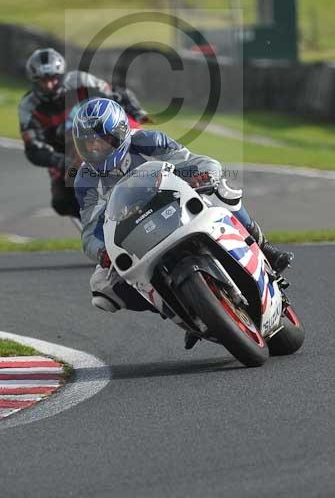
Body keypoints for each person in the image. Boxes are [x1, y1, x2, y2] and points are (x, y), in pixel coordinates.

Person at [72, 98, 293, 348]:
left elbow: (195, 162)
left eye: (101, 140)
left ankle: (264, 247)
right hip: (136, 234)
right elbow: (89, 231)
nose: (95, 148)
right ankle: (184, 310)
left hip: (176, 207)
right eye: (88, 143)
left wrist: (205, 175)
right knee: (101, 288)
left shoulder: (148, 141)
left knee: (221, 191)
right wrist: (102, 252)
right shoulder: (84, 179)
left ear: (119, 133)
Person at [18, 48, 147, 219]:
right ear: (34, 81)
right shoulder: (28, 107)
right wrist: (63, 161)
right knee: (62, 201)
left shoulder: (81, 81)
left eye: (53, 79)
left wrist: (136, 112)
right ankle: (98, 226)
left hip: (107, 138)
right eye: (43, 81)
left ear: (61, 76)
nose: (49, 85)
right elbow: (33, 148)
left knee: (143, 150)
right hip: (68, 157)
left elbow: (118, 94)